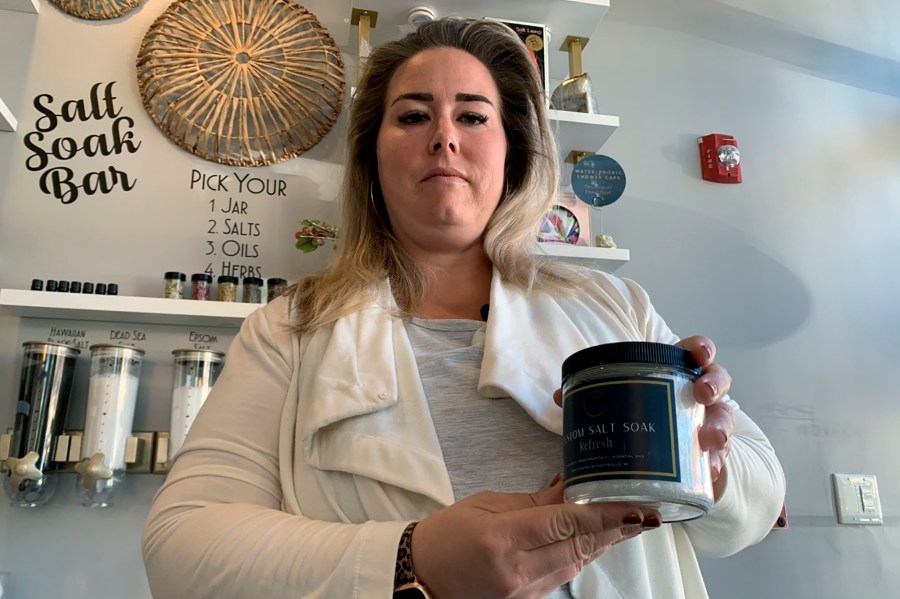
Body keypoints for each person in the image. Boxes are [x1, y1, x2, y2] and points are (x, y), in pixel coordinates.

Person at [142, 17, 785, 599]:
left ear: (512, 155)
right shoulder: (289, 329)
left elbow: (761, 501)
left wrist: (708, 455)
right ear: (372, 156)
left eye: (473, 117)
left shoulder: (614, 305)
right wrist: (408, 559)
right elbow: (182, 547)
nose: (445, 137)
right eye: (414, 116)